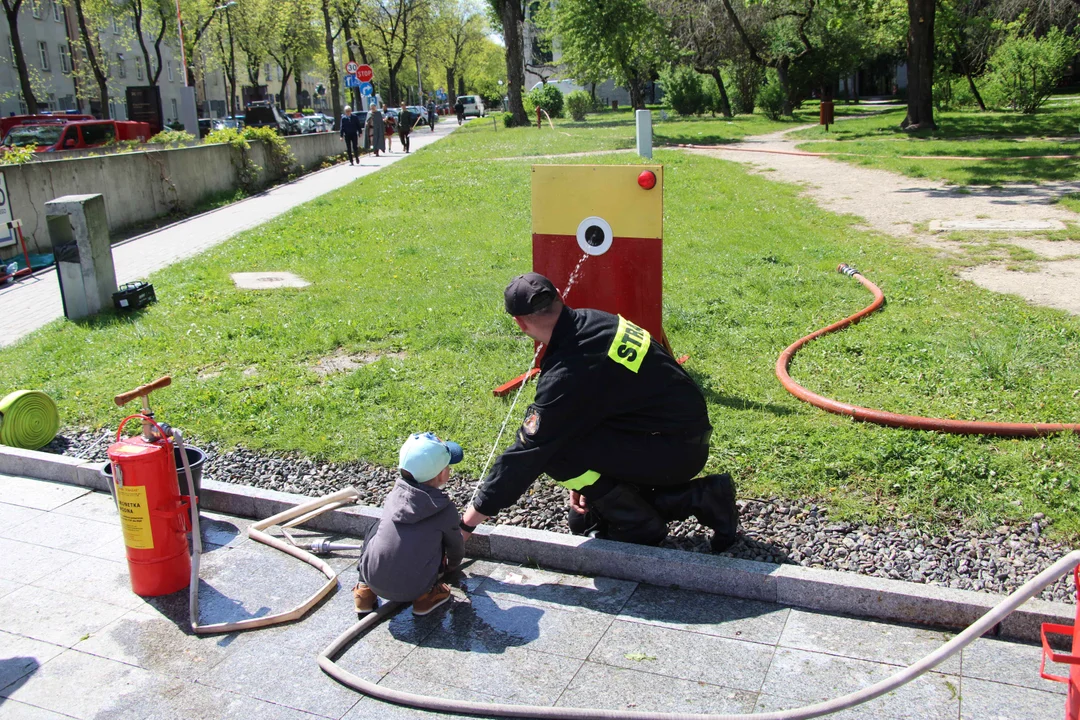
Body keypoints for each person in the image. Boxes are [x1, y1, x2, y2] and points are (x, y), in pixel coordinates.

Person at [458, 273, 739, 550]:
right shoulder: (594, 321)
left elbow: (526, 454)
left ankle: (643, 524)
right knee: (582, 522)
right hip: (677, 436)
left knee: (552, 450)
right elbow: (594, 406)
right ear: (560, 295)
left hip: (674, 452)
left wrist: (465, 527)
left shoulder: (569, 370)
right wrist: (583, 484)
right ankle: (702, 497)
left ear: (519, 322)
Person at [353, 432, 466, 616]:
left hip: (372, 576)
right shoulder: (444, 510)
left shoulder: (393, 496)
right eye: (448, 466)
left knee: (374, 528)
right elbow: (455, 545)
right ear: (441, 475)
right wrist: (452, 566)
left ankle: (363, 592)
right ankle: (425, 599)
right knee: (436, 541)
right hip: (415, 588)